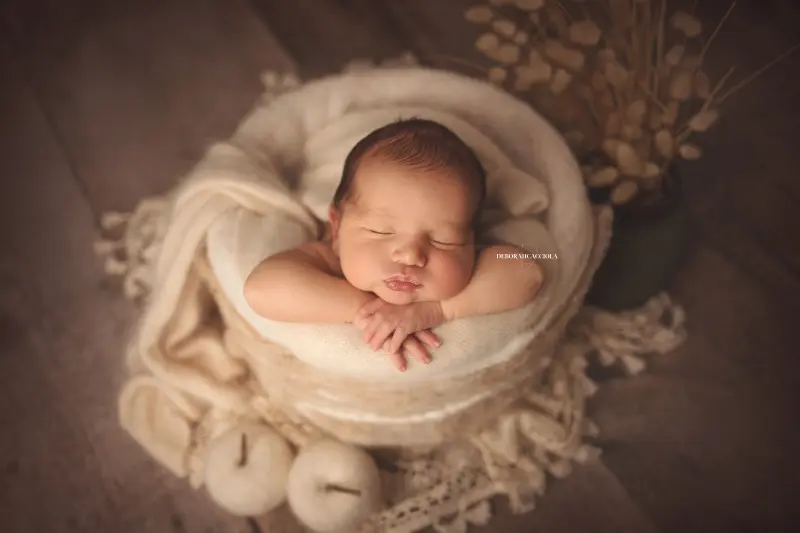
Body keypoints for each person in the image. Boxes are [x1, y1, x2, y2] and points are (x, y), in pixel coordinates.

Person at [244, 118, 544, 372]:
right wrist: (365, 309)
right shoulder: (330, 255)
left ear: (471, 241)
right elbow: (261, 288)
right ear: (337, 228)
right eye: (381, 231)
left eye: (443, 240)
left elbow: (526, 272)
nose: (411, 255)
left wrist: (438, 310)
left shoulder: (472, 261)